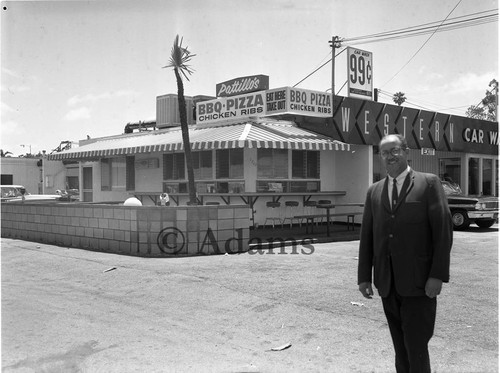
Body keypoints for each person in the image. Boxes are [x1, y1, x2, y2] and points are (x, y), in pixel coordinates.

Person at [357, 134, 453, 373]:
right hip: (387, 284)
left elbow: (443, 232)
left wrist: (437, 275)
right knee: (400, 348)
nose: (390, 156)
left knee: (416, 346)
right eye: (384, 152)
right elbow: (367, 237)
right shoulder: (374, 191)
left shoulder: (428, 184)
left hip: (419, 283)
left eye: (394, 150)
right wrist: (364, 277)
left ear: (406, 151)